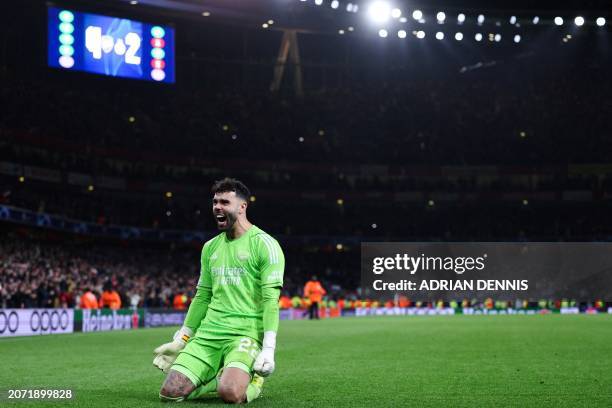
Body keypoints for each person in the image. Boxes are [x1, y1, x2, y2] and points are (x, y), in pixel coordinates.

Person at [153, 178, 284, 404]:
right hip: (208, 334)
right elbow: (203, 296)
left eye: (225, 202)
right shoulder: (210, 247)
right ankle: (215, 377)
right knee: (169, 392)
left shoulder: (265, 244)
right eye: (215, 202)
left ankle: (253, 382)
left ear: (242, 207)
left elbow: (271, 300)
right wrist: (182, 338)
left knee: (231, 393)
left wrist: (268, 349)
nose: (217, 207)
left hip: (245, 333)